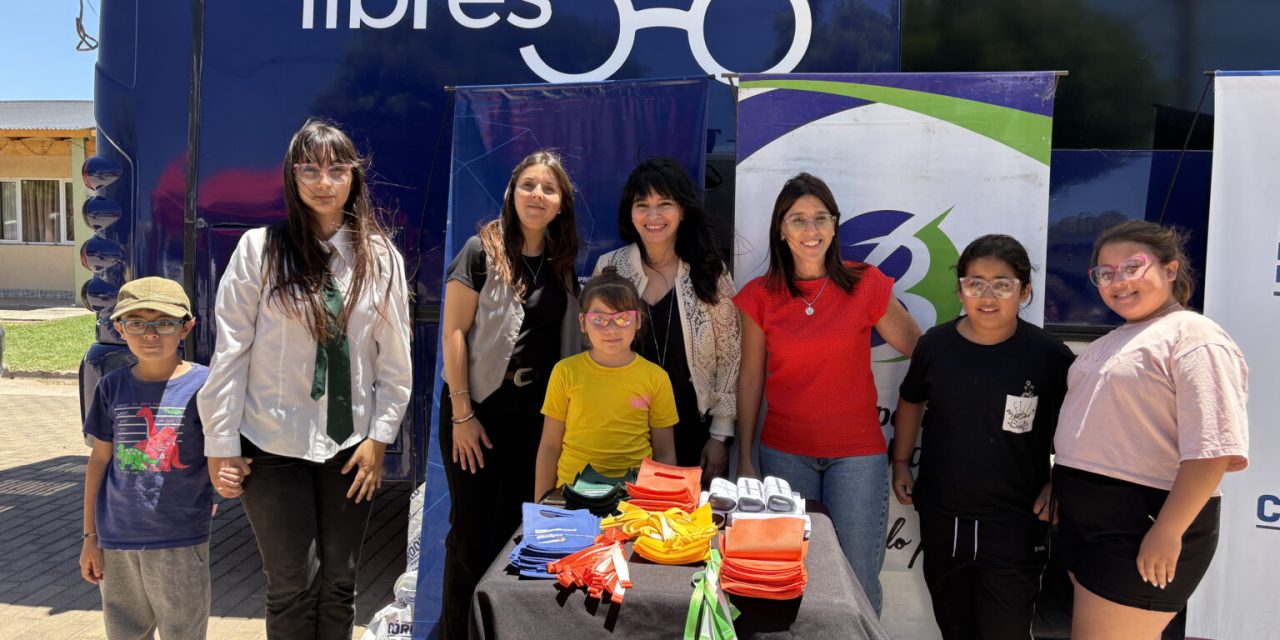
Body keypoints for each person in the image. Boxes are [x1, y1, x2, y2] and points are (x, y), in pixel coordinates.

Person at [198, 119, 412, 640]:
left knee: (341, 582)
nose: (323, 181)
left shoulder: (379, 256)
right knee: (292, 583)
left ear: (354, 178)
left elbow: (394, 361)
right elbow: (231, 351)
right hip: (272, 442)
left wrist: (380, 438)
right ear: (292, 177)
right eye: (309, 168)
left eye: (337, 169)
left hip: (350, 445)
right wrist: (220, 443)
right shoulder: (260, 250)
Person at [734, 172, 922, 615]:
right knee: (793, 577)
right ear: (780, 229)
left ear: (835, 225)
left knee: (855, 578)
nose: (811, 230)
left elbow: (921, 349)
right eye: (797, 219)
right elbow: (750, 380)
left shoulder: (865, 283)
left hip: (857, 456)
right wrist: (745, 457)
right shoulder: (759, 297)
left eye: (821, 218)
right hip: (784, 455)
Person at [1053, 220, 1248, 639]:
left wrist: (1167, 530)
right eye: (1105, 274)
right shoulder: (1116, 338)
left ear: (1171, 270)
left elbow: (1212, 449)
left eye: (1132, 267)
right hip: (1087, 524)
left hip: (1142, 525)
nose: (1117, 282)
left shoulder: (1196, 337)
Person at [890, 235, 1075, 639]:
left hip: (1016, 522)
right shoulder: (935, 346)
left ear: (1025, 291)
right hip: (944, 514)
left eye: (1002, 284)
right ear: (959, 289)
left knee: (1004, 630)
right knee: (954, 626)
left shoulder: (1048, 355)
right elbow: (910, 400)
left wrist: (1058, 479)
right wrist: (901, 461)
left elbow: (1081, 426)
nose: (987, 296)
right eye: (975, 283)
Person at [436, 149, 581, 639]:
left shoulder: (562, 264)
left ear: (561, 203)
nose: (537, 195)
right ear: (511, 194)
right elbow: (454, 333)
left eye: (548, 188)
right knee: (470, 538)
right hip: (477, 412)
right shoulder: (480, 251)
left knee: (516, 535)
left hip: (534, 420)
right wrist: (461, 414)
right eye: (528, 185)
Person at [79, 276, 216, 639]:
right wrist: (90, 536)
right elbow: (99, 461)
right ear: (120, 329)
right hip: (116, 540)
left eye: (163, 323)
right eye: (137, 323)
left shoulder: (207, 386)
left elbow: (224, 453)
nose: (150, 334)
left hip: (180, 539)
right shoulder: (112, 386)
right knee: (125, 632)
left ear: (186, 327)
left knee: (183, 633)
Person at [594, 158, 740, 481]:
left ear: (683, 210)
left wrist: (720, 435)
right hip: (624, 432)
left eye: (665, 204)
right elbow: (592, 352)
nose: (653, 216)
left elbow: (730, 357)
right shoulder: (610, 269)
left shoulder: (709, 272)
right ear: (630, 214)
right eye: (642, 205)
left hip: (694, 433)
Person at [534, 268, 679, 499]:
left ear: (638, 320)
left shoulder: (656, 378)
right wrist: (541, 504)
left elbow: (665, 453)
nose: (611, 329)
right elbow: (550, 445)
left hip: (634, 498)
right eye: (599, 319)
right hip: (570, 495)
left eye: (622, 318)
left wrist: (661, 507)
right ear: (583, 322)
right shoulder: (565, 372)